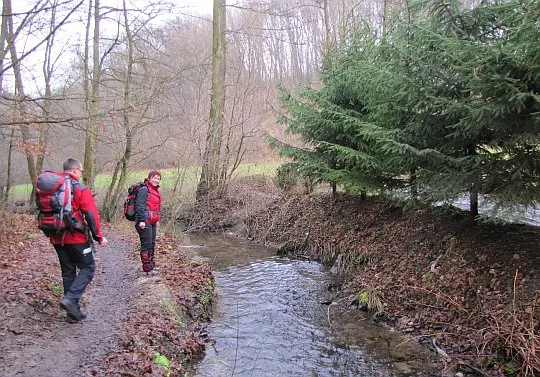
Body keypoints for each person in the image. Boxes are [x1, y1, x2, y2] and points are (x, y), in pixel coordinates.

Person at [48, 158, 108, 322]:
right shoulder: (79, 188)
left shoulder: (54, 188)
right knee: (88, 267)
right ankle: (71, 300)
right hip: (76, 237)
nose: (81, 174)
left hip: (56, 237)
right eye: (81, 171)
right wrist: (99, 237)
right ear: (75, 170)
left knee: (68, 272)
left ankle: (72, 314)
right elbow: (91, 214)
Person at [135, 170, 162, 275]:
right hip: (144, 221)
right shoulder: (144, 189)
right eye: (154, 178)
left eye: (158, 179)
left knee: (152, 244)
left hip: (153, 221)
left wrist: (157, 220)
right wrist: (141, 220)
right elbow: (140, 206)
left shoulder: (155, 190)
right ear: (149, 178)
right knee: (146, 244)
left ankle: (151, 265)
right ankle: (147, 268)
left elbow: (155, 207)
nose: (156, 180)